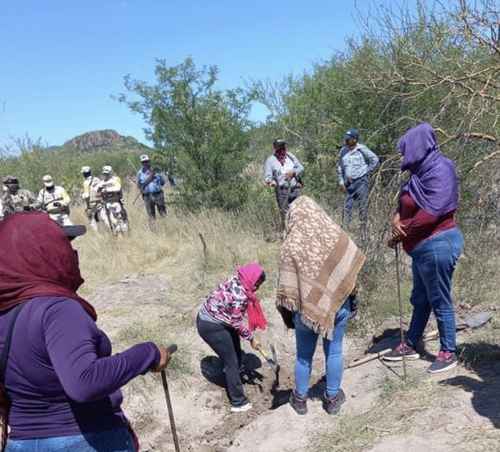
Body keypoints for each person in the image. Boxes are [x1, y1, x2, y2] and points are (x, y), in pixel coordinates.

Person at [0, 212, 175, 451]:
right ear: (40, 255)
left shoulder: (6, 310)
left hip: (21, 442)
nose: (71, 253)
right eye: (63, 244)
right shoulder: (58, 309)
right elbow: (84, 382)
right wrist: (148, 353)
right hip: (83, 439)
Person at [383, 123, 464, 374]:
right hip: (420, 248)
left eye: (405, 149)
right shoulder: (416, 175)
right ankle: (411, 343)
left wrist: (400, 232)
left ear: (418, 146)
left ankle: (448, 352)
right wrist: (396, 218)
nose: (403, 155)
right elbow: (404, 202)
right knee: (420, 298)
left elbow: (431, 213)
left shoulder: (442, 169)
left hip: (438, 243)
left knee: (439, 299)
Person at [276, 196, 365, 415]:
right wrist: (352, 300)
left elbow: (288, 288)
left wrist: (291, 317)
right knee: (334, 352)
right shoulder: (334, 234)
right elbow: (349, 271)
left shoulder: (290, 246)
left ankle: (300, 400)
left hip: (305, 312)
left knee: (303, 356)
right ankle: (332, 398)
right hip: (337, 306)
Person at [196, 263, 267, 413]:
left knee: (235, 348)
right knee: (231, 361)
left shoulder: (238, 279)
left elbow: (233, 319)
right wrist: (252, 338)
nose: (256, 288)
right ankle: (238, 402)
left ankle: (233, 374)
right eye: (257, 284)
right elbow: (236, 322)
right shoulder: (240, 295)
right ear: (251, 279)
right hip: (211, 326)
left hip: (219, 318)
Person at [337, 129, 379, 238]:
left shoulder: (362, 149)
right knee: (347, 207)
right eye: (346, 138)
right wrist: (341, 182)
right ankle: (345, 232)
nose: (346, 140)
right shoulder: (343, 151)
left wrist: (366, 172)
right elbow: (340, 167)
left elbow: (375, 160)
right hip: (348, 183)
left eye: (348, 138)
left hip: (361, 182)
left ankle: (363, 234)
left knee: (362, 207)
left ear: (355, 139)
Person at [264, 139, 304, 230]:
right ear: (275, 148)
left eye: (284, 146)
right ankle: (287, 234)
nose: (283, 148)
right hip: (282, 191)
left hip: (295, 189)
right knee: (286, 214)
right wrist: (271, 182)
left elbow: (301, 168)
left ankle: (298, 234)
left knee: (298, 213)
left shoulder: (290, 156)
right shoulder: (270, 160)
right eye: (280, 146)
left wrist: (293, 173)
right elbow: (267, 177)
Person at [98, 166, 128, 234]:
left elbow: (118, 188)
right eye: (104, 174)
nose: (106, 175)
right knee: (112, 221)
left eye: (107, 173)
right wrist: (101, 189)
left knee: (121, 218)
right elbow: (97, 190)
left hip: (116, 202)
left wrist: (107, 190)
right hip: (107, 203)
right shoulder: (102, 182)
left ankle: (125, 233)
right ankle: (118, 234)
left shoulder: (115, 180)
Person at [136, 154, 167, 220]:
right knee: (151, 215)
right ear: (141, 163)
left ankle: (166, 227)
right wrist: (142, 188)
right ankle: (153, 229)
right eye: (143, 162)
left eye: (146, 161)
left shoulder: (156, 170)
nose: (145, 163)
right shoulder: (139, 173)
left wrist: (156, 182)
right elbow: (138, 185)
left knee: (163, 213)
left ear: (149, 161)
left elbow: (163, 182)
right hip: (147, 196)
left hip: (158, 194)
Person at [81, 166, 102, 232]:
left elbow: (87, 196)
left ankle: (97, 234)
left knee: (91, 218)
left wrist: (88, 206)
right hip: (100, 201)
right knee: (101, 216)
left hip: (92, 203)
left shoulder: (85, 183)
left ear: (84, 174)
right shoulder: (97, 179)